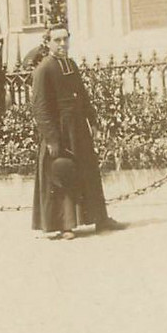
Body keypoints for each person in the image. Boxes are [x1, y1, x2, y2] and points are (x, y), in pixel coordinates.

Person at [31, 25, 117, 239]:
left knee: (88, 171)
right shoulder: (44, 69)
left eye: (65, 39)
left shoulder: (71, 64)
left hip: (78, 129)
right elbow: (39, 107)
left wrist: (93, 121)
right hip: (59, 132)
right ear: (48, 42)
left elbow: (83, 96)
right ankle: (64, 225)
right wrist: (51, 138)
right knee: (62, 173)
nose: (62, 44)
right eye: (57, 40)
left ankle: (99, 218)